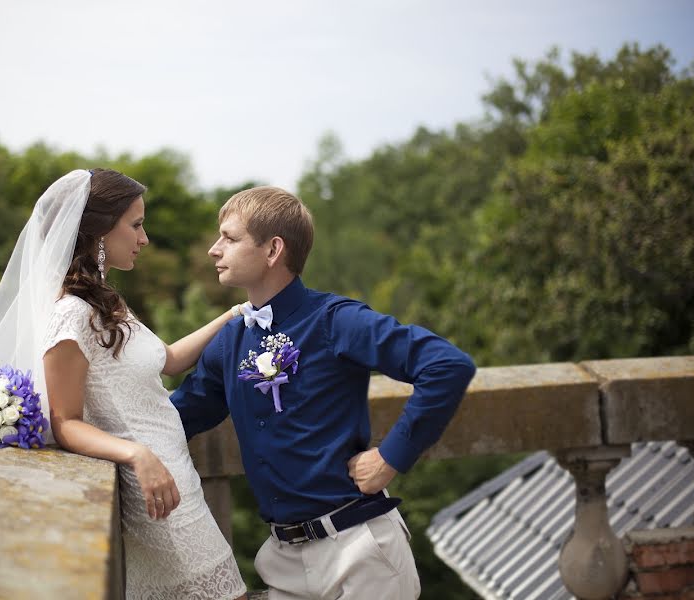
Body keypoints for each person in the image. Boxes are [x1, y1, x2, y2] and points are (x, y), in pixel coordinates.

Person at [170, 186, 476, 599]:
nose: (213, 249)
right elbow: (179, 415)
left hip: (361, 554)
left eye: (230, 237)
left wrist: (391, 457)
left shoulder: (337, 320)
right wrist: (89, 433)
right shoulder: (231, 340)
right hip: (283, 562)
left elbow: (447, 366)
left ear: (273, 249)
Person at [0, 169, 246, 599]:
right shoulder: (70, 314)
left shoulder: (107, 301)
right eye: (135, 224)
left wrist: (234, 315)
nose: (145, 238)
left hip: (180, 482)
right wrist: (137, 454)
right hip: (153, 495)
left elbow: (167, 360)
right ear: (97, 229)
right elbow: (65, 420)